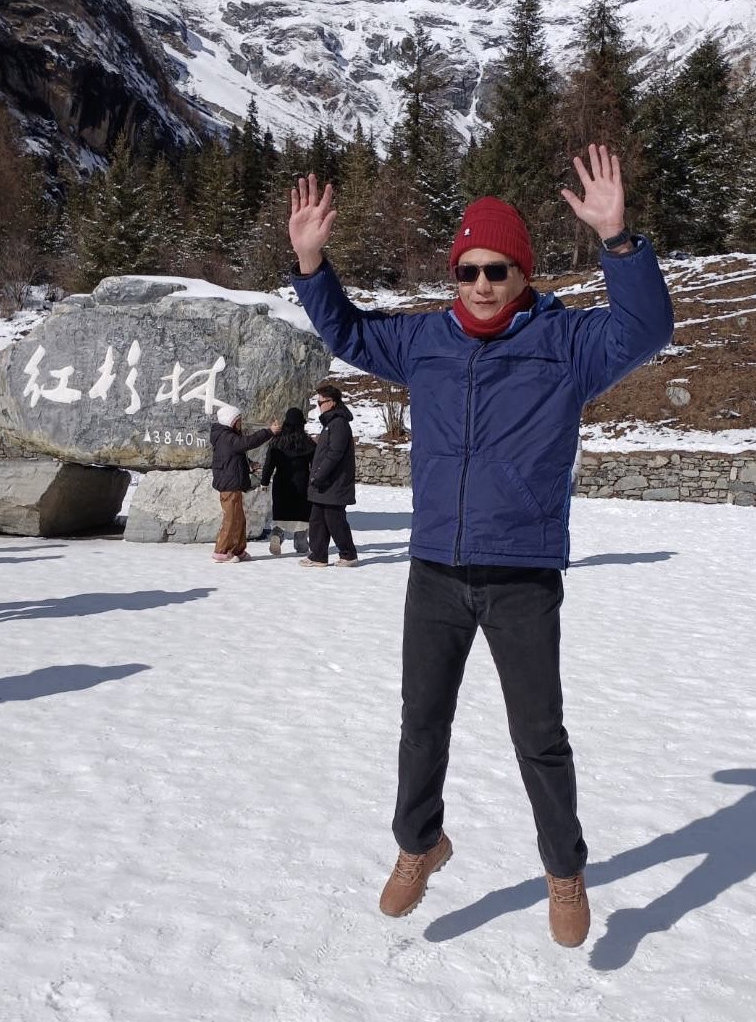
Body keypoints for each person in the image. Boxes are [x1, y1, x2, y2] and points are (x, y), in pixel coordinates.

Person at [288, 145, 674, 947]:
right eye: (468, 270)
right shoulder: (424, 341)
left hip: (521, 573)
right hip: (435, 568)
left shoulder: (566, 344)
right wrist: (312, 264)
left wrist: (618, 241)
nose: (483, 283)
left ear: (523, 271)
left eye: (499, 269)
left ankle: (564, 868)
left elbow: (646, 327)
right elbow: (346, 330)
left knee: (539, 735)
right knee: (421, 723)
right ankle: (419, 843)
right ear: (454, 274)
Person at [210, 404, 280, 563]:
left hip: (233, 482)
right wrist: (269, 432)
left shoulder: (226, 436)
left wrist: (249, 464)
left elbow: (234, 456)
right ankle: (221, 551)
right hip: (229, 484)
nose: (241, 423)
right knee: (231, 519)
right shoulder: (227, 437)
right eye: (239, 420)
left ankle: (238, 549)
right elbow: (247, 442)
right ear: (231, 421)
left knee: (239, 519)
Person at [299, 381, 358, 569]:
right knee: (317, 519)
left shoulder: (339, 424)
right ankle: (318, 555)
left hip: (334, 483)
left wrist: (319, 475)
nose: (318, 406)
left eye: (321, 402)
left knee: (335, 520)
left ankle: (348, 554)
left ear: (332, 402)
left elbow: (334, 454)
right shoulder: (330, 423)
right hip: (324, 484)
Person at [259, 407, 315, 556]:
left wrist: (264, 482)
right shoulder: (308, 443)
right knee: (302, 519)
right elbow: (315, 465)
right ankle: (301, 544)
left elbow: (269, 464)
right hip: (302, 485)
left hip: (282, 485)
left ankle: (276, 536)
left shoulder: (277, 442)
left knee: (281, 516)